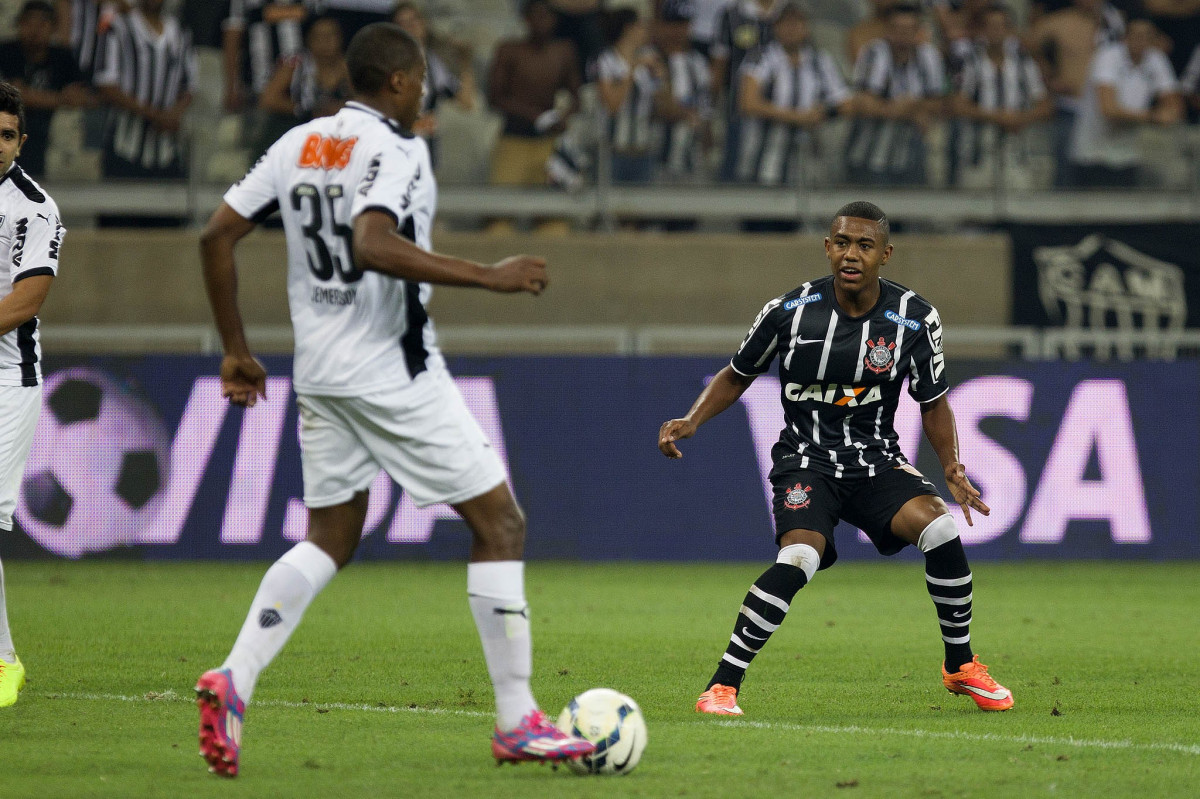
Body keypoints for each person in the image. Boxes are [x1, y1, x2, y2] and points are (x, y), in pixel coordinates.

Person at [193, 22, 593, 777]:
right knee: (500, 521)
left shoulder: (298, 144)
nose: (429, 98)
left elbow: (216, 236)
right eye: (425, 84)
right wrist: (489, 273)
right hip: (390, 368)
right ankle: (517, 720)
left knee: (331, 535)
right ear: (401, 83)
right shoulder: (399, 149)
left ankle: (234, 676)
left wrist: (236, 348)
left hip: (319, 370)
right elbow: (371, 243)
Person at [658, 200, 1013, 718]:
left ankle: (959, 665)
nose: (852, 254)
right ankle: (722, 687)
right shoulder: (788, 311)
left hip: (876, 462)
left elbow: (933, 401)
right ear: (828, 247)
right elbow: (738, 373)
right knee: (799, 558)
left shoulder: (915, 318)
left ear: (885, 254)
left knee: (941, 531)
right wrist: (692, 420)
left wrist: (952, 466)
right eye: (842, 243)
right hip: (807, 461)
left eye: (865, 245)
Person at [0, 80, 65, 708]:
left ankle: (2, 661)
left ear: (22, 140)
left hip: (6, 381)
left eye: (7, 135)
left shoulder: (32, 207)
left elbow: (27, 300)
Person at [735, 1, 850, 186]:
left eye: (796, 23)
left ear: (806, 28)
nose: (791, 29)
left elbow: (846, 102)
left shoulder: (820, 61)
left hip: (807, 159)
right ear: (775, 28)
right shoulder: (761, 57)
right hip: (765, 156)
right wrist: (796, 117)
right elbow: (748, 102)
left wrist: (823, 112)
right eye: (785, 23)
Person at [1068, 15, 1182, 187]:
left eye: (1147, 36)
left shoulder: (1156, 59)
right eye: (1136, 35)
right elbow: (1109, 110)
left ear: (1154, 39)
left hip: (1128, 155)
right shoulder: (1107, 57)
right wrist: (1153, 117)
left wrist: (1164, 114)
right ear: (1125, 37)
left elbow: (1174, 108)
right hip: (1092, 154)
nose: (1141, 41)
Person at [951, 3, 1052, 189]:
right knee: (975, 208)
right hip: (978, 153)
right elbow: (958, 105)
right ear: (982, 30)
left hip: (1017, 152)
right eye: (990, 26)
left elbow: (1045, 106)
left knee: (1020, 206)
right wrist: (996, 117)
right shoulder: (971, 62)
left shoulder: (1024, 63)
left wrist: (1020, 118)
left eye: (1001, 26)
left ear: (1010, 30)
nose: (995, 31)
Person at [93, 0, 197, 180]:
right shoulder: (118, 27)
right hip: (124, 145)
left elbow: (189, 86)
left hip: (167, 149)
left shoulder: (180, 32)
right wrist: (156, 116)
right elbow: (106, 84)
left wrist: (174, 115)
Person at [844, 3, 945, 186]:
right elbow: (864, 103)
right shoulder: (873, 52)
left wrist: (908, 105)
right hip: (870, 153)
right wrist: (910, 112)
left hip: (912, 156)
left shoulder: (929, 56)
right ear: (887, 30)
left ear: (918, 31)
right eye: (897, 29)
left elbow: (938, 103)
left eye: (908, 29)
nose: (902, 35)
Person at [1029, 0, 1126, 186]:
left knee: (1103, 171)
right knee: (1065, 171)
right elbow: (1027, 45)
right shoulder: (1058, 22)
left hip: (1105, 109)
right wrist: (1047, 79)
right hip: (1071, 106)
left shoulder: (1115, 22)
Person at [0, 0, 92, 178]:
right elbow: (16, 95)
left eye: (42, 23)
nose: (35, 30)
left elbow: (82, 95)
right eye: (29, 23)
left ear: (53, 27)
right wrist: (60, 99)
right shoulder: (8, 51)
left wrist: (44, 99)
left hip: (46, 132)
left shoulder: (61, 56)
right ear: (19, 25)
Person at [392, 0, 477, 167]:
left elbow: (465, 102)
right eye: (403, 23)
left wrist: (465, 62)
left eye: (414, 20)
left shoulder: (433, 64)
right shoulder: (387, 63)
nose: (411, 27)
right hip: (394, 146)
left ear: (424, 23)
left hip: (423, 148)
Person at [596, 7, 666, 185]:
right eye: (641, 26)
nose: (645, 31)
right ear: (629, 28)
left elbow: (662, 106)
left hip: (644, 149)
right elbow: (612, 105)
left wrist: (662, 77)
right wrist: (632, 68)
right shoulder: (606, 60)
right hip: (614, 150)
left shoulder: (649, 60)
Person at [257, 14, 352, 124]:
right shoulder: (295, 63)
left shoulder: (351, 66)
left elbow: (366, 100)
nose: (326, 41)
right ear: (308, 39)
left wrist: (341, 108)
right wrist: (306, 110)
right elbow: (267, 100)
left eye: (331, 35)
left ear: (341, 37)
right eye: (319, 36)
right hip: (295, 127)